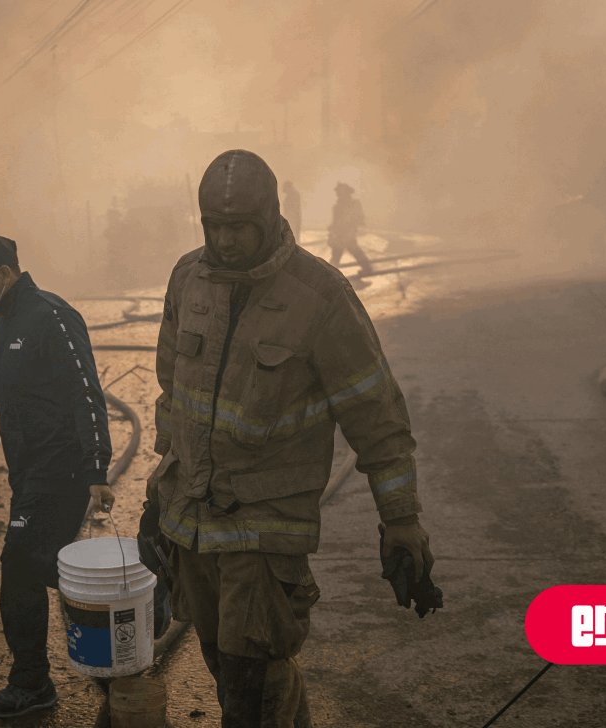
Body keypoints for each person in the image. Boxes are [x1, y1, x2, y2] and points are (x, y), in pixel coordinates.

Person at [140, 150, 435, 727]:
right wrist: (159, 490)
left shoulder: (320, 297)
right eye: (213, 227)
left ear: (271, 216)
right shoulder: (187, 279)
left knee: (253, 688)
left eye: (238, 227)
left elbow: (377, 416)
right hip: (193, 521)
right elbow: (173, 391)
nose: (223, 241)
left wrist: (400, 518)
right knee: (225, 669)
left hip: (264, 530)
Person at [0, 234, 115, 719]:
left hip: (63, 469)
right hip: (28, 474)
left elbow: (85, 391)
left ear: (4, 273)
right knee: (45, 566)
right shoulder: (5, 323)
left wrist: (96, 466)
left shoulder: (52, 316)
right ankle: (129, 613)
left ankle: (31, 684)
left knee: (20, 565)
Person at [327, 181, 373, 275]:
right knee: (344, 252)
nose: (338, 194)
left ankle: (330, 274)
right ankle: (367, 268)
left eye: (340, 192)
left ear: (346, 193)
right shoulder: (339, 205)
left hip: (347, 233)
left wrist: (349, 225)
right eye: (338, 192)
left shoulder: (352, 204)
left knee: (344, 252)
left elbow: (358, 217)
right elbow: (337, 220)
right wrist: (332, 227)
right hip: (341, 234)